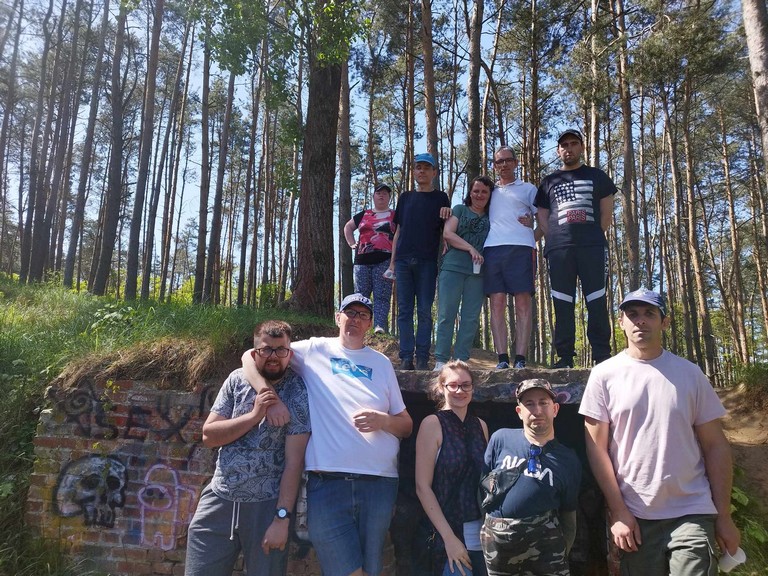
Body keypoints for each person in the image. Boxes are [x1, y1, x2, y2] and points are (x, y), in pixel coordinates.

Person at [242, 293, 413, 576]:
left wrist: (383, 421)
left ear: (369, 324)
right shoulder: (314, 350)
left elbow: (406, 426)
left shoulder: (381, 363)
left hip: (379, 483)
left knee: (371, 567)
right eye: (350, 313)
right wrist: (268, 395)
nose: (355, 319)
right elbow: (250, 357)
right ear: (337, 317)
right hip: (327, 482)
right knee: (344, 568)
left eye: (362, 315)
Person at [580, 289, 740, 575]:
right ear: (621, 323)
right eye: (632, 314)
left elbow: (715, 445)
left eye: (649, 314)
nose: (640, 321)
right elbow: (596, 448)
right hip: (636, 515)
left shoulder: (690, 374)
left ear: (664, 322)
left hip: (692, 510)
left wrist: (724, 515)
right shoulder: (603, 375)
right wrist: (618, 510)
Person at [185, 321, 310, 576]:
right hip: (219, 499)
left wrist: (282, 518)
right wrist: (254, 416)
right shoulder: (237, 380)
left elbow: (294, 462)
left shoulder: (298, 392)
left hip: (266, 507)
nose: (273, 356)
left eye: (281, 350)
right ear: (254, 354)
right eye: (266, 349)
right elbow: (209, 436)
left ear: (290, 354)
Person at [481, 379, 581, 576]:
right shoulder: (500, 439)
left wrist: (562, 552)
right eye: (529, 404)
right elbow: (484, 486)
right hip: (499, 547)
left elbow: (569, 515)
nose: (537, 410)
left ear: (555, 409)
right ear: (519, 412)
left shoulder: (568, 459)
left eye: (543, 403)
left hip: (546, 548)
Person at [534, 129, 616, 368]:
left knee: (596, 299)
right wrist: (556, 238)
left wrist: (591, 235)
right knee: (562, 301)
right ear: (558, 151)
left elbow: (606, 213)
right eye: (564, 145)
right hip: (559, 250)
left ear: (581, 147)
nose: (568, 148)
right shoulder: (548, 182)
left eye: (573, 144)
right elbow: (542, 217)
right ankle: (565, 356)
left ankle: (602, 355)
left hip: (592, 248)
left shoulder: (597, 176)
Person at [415, 361, 489, 576]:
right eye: (453, 385)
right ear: (441, 387)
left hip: (482, 534)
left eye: (466, 385)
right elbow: (422, 487)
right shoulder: (432, 424)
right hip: (447, 532)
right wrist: (449, 539)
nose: (460, 391)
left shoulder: (481, 426)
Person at [388, 152, 452, 371]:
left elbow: (446, 230)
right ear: (414, 171)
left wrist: (449, 217)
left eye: (426, 167)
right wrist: (392, 262)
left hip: (427, 261)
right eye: (418, 167)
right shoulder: (405, 197)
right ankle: (406, 358)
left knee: (424, 310)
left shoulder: (441, 198)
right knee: (404, 310)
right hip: (403, 261)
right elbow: (398, 231)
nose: (421, 171)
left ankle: (423, 358)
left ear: (434, 172)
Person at [484, 146, 542, 370]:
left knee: (523, 303)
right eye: (499, 162)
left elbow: (543, 220)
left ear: (516, 163)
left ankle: (520, 358)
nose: (504, 165)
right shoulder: (489, 191)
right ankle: (502, 358)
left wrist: (530, 236)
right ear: (494, 166)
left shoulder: (528, 189)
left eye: (508, 160)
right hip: (492, 249)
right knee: (497, 304)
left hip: (521, 250)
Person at [433, 176, 493, 371]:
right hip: (452, 267)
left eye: (484, 191)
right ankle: (441, 360)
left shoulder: (492, 216)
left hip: (478, 272)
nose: (479, 195)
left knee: (470, 318)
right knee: (446, 314)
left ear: (490, 194)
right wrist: (470, 248)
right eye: (476, 191)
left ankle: (461, 361)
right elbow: (448, 234)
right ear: (470, 192)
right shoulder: (459, 209)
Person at [343, 183, 397, 334]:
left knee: (382, 295)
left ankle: (379, 326)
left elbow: (401, 234)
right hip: (362, 261)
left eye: (385, 193)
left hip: (385, 260)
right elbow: (348, 227)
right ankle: (359, 326)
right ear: (373, 196)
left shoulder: (395, 215)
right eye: (378, 193)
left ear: (389, 197)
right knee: (360, 295)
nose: (381, 196)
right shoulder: (364, 214)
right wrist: (352, 243)